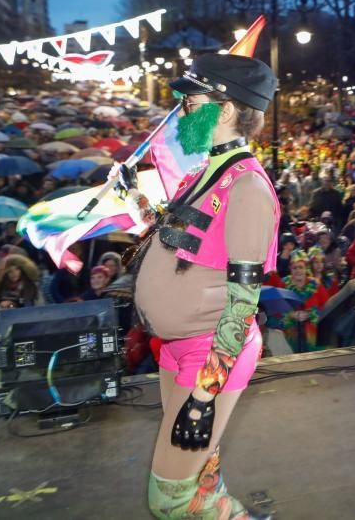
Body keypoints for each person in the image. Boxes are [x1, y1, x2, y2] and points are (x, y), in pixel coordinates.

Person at [121, 52, 279, 519]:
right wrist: (133, 196)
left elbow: (244, 303)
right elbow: (174, 237)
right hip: (175, 346)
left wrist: (205, 396)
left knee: (168, 498)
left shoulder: (248, 187)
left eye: (190, 102)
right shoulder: (204, 171)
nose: (181, 111)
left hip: (210, 352)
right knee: (197, 479)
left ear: (225, 109)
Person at [272, 249, 329, 353]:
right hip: (289, 334)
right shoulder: (283, 284)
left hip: (312, 334)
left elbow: (326, 306)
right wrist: (291, 315)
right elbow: (276, 309)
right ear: (290, 269)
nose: (298, 271)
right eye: (295, 268)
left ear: (306, 268)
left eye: (301, 267)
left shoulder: (315, 284)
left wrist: (311, 313)